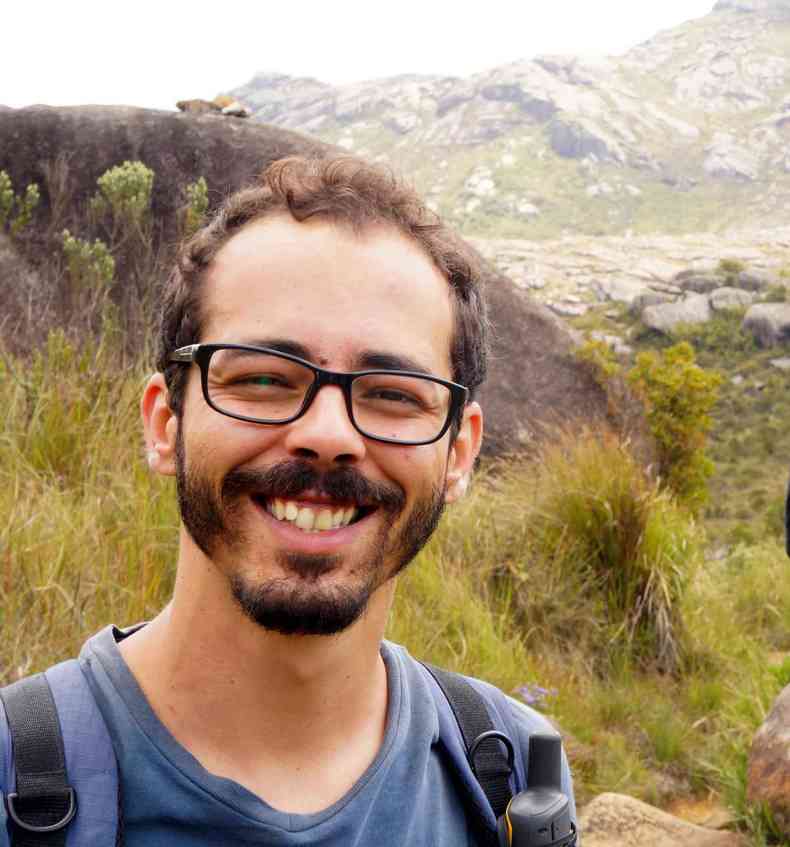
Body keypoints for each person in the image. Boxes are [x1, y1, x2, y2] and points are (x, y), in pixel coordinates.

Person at [1, 156, 576, 845]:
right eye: (265, 379)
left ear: (459, 452)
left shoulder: (511, 775)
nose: (328, 435)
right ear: (164, 423)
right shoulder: (15, 779)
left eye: (392, 393)